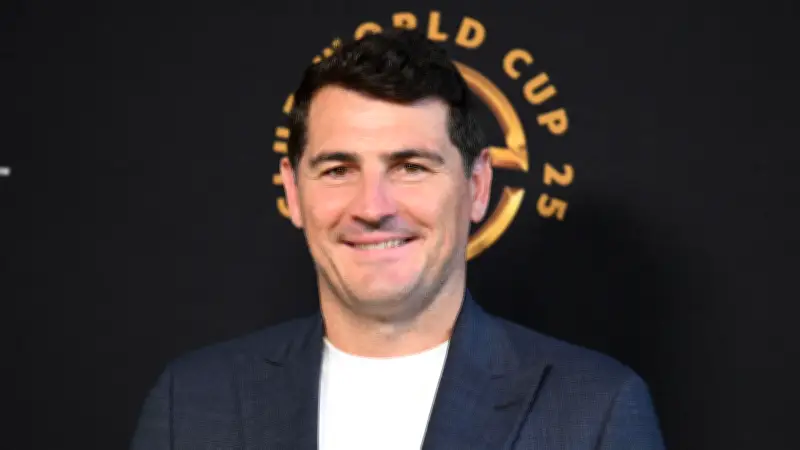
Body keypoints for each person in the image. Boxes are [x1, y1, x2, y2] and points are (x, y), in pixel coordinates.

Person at [131, 29, 666, 450]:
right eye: (338, 170)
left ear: (478, 187)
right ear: (293, 191)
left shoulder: (593, 410)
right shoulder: (193, 403)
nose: (372, 207)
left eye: (411, 167)